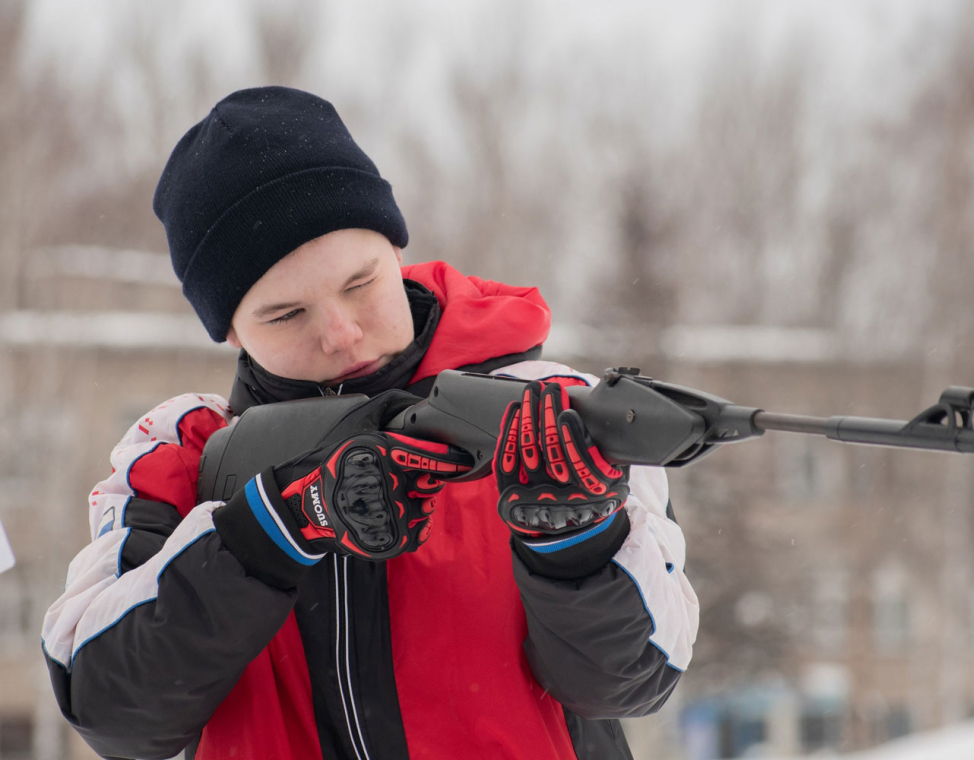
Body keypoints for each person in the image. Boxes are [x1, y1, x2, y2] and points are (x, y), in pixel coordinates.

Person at [41, 86, 699, 760]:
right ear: (231, 332)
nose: (342, 333)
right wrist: (274, 530)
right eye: (286, 315)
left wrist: (576, 549)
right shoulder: (177, 455)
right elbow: (112, 711)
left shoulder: (555, 413)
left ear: (396, 253)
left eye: (362, 284)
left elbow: (630, 683)